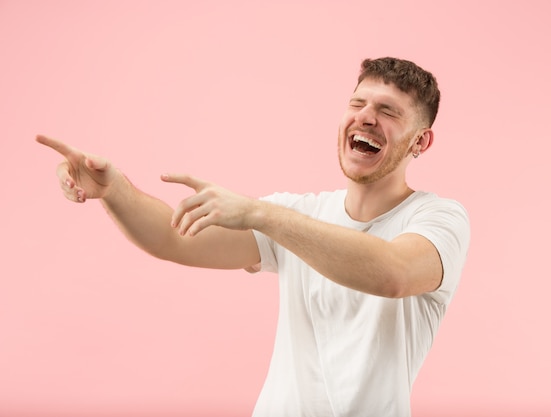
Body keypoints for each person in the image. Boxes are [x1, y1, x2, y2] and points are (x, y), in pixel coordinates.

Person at [37, 57, 470, 417]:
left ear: (421, 142)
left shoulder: (438, 219)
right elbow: (174, 240)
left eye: (389, 111)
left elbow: (392, 273)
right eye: (358, 102)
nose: (366, 117)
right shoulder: (300, 214)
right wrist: (114, 190)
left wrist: (260, 213)